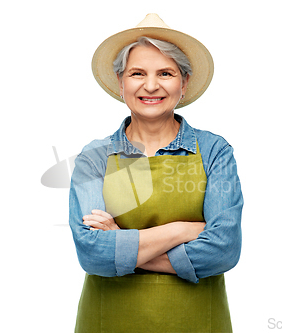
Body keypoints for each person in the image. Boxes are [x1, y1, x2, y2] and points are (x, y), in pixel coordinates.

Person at [69, 13, 243, 332]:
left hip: (195, 322)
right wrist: (181, 230)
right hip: (109, 322)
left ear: (184, 83)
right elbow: (93, 254)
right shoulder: (94, 158)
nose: (151, 85)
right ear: (121, 83)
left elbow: (223, 251)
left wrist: (120, 243)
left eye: (165, 72)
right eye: (138, 73)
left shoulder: (215, 151)